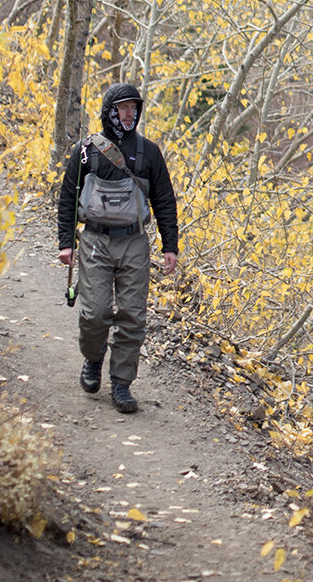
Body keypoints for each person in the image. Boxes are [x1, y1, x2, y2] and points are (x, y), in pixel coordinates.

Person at [56, 81, 179, 413]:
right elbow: (68, 196)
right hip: (94, 240)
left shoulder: (149, 152)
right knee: (95, 312)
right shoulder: (85, 150)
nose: (129, 114)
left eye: (133, 108)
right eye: (123, 108)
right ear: (110, 111)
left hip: (134, 243)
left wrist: (171, 246)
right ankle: (93, 359)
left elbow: (164, 200)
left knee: (132, 316)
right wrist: (66, 242)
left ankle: (122, 383)